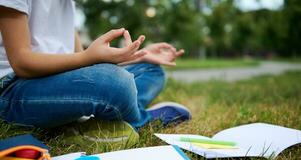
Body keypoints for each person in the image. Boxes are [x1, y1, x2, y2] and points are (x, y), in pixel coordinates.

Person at [0, 1, 191, 135]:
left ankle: (109, 114)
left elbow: (82, 62)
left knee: (151, 70)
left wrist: (137, 56)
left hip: (57, 78)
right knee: (116, 82)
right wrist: (87, 57)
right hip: (14, 90)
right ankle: (139, 120)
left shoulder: (68, 4)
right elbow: (21, 63)